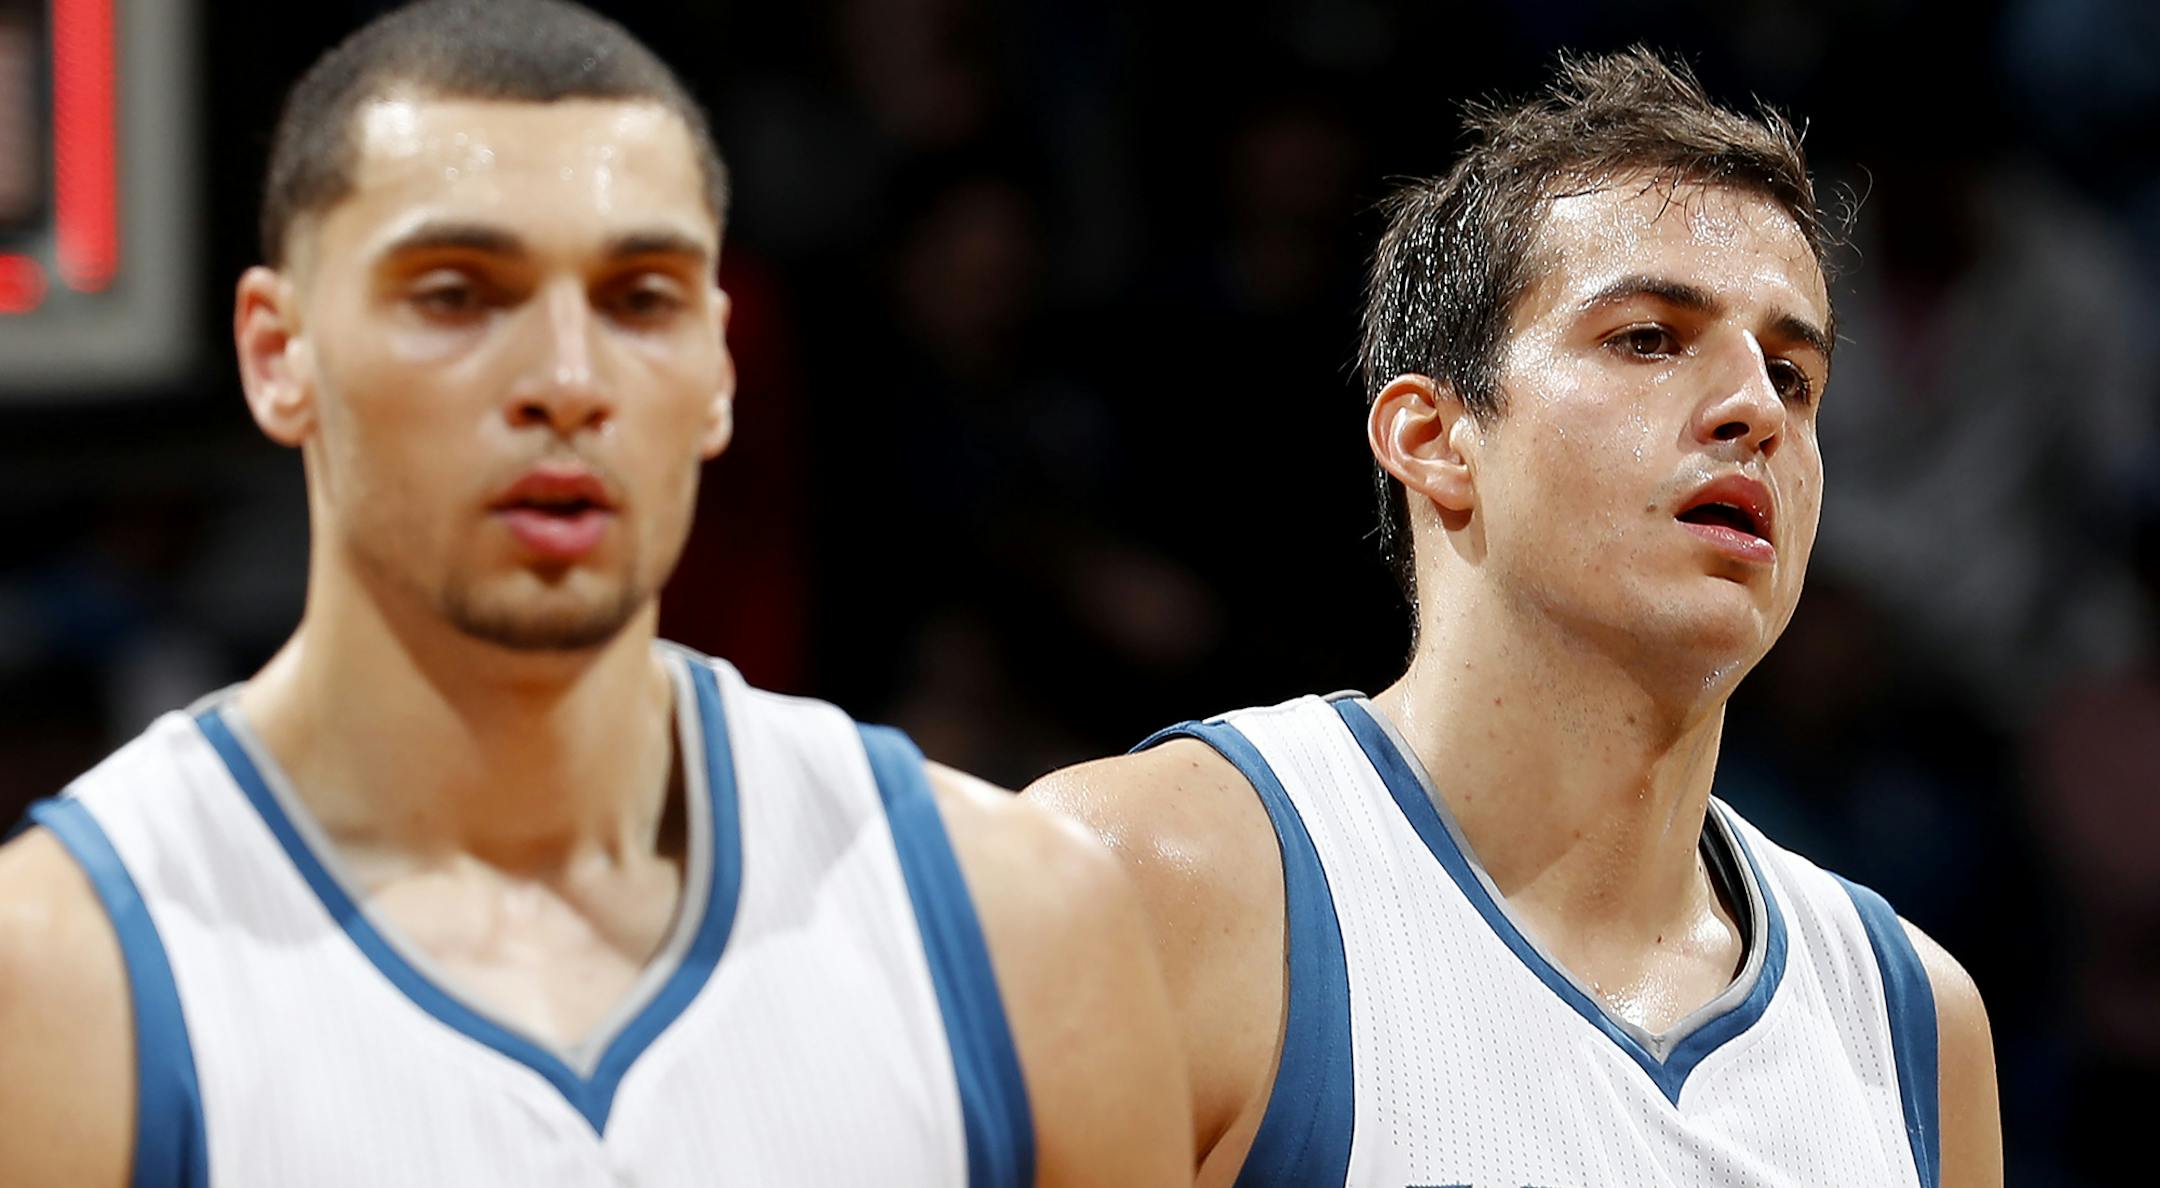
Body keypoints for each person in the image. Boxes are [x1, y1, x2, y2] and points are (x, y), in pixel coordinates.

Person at [0, 2, 1189, 1185]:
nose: (567, 380)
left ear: (719, 368)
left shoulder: (1019, 919)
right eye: (457, 294)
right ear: (279, 353)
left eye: (640, 300)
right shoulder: (59, 980)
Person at [1027, 47, 2001, 1187]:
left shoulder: (1911, 1023)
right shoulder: (1155, 877)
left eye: (1793, 374)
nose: (1755, 409)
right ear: (1434, 440)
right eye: (1648, 338)